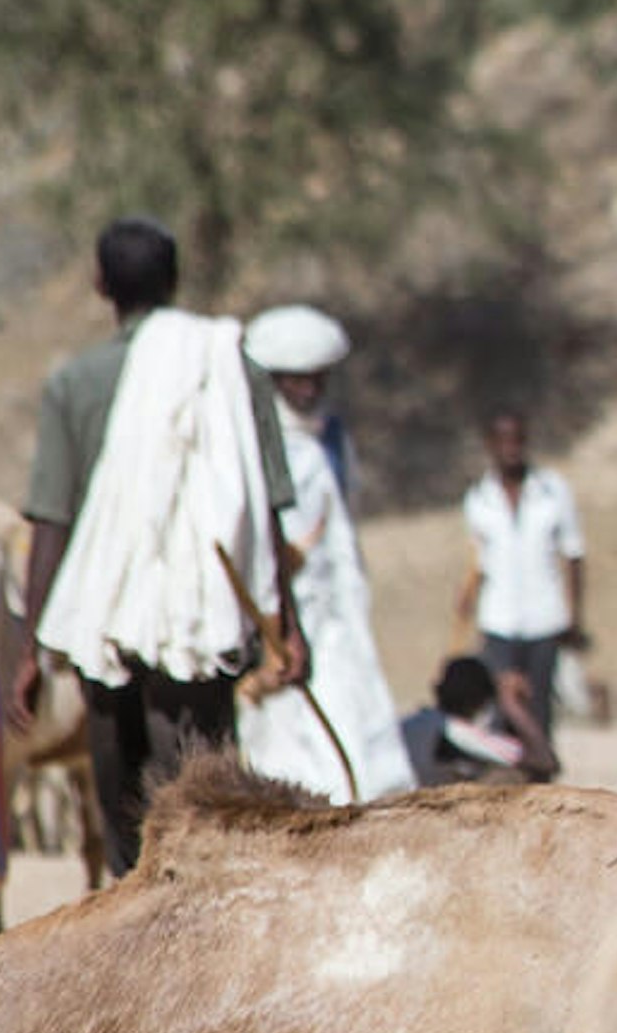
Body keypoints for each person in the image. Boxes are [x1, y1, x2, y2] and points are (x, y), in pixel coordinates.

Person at [18, 217, 306, 876]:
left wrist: (35, 642)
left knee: (122, 791)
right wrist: (289, 625)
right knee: (200, 792)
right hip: (200, 617)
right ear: (175, 282)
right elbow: (265, 511)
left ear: (99, 284)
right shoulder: (231, 369)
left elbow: (52, 520)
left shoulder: (76, 383)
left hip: (106, 612)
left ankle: (134, 909)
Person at [231, 306, 412, 802]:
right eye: (296, 381)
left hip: (339, 612)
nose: (308, 391)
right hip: (286, 616)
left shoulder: (331, 438)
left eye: (317, 379)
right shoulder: (257, 446)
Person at [455, 410, 582, 777]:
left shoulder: (553, 491)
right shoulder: (479, 499)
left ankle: (540, 785)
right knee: (500, 708)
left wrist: (575, 617)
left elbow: (573, 554)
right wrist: (467, 596)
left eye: (517, 440)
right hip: (498, 619)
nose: (511, 449)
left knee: (538, 709)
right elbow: (479, 560)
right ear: (490, 445)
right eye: (503, 441)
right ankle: (506, 788)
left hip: (545, 619)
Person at [395, 653, 536, 789]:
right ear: (478, 702)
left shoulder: (411, 724)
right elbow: (541, 761)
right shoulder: (458, 733)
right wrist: (512, 703)